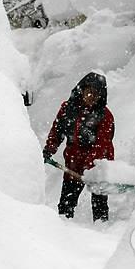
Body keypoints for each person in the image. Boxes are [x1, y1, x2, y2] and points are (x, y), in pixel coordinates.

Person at [42, 72, 115, 222]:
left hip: (98, 166)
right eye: (89, 92)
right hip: (73, 162)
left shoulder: (104, 116)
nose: (91, 97)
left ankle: (102, 232)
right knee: (66, 204)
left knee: (99, 205)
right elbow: (57, 131)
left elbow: (101, 146)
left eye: (96, 94)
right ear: (81, 90)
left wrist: (90, 169)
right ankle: (62, 229)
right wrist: (49, 149)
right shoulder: (68, 109)